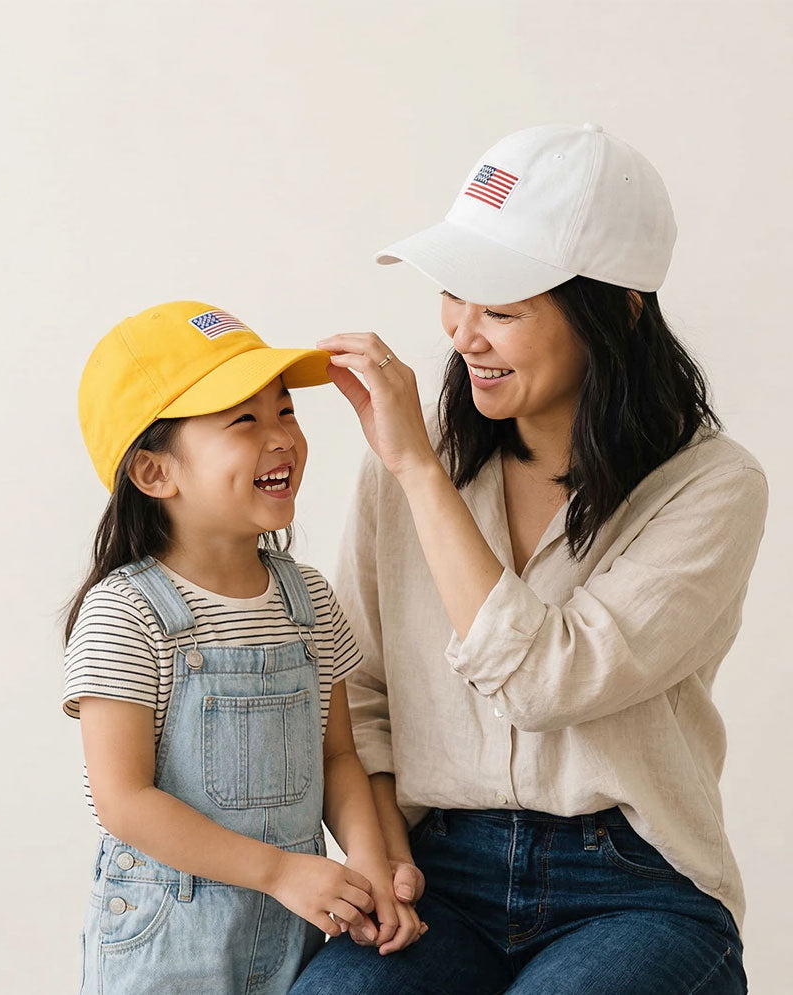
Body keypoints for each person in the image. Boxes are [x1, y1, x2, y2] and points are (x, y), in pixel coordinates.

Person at [291, 124, 765, 993]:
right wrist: (379, 848)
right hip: (441, 874)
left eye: (503, 308)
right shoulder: (417, 454)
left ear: (617, 306)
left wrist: (418, 474)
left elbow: (550, 681)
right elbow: (355, 688)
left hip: (634, 885)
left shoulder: (712, 486)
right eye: (454, 295)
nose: (463, 334)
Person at [63, 301, 425, 994]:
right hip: (166, 938)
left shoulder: (309, 598)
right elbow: (124, 800)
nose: (281, 436)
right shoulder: (125, 612)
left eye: (285, 411)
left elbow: (339, 754)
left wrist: (372, 860)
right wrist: (278, 870)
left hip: (293, 924)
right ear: (153, 472)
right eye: (244, 420)